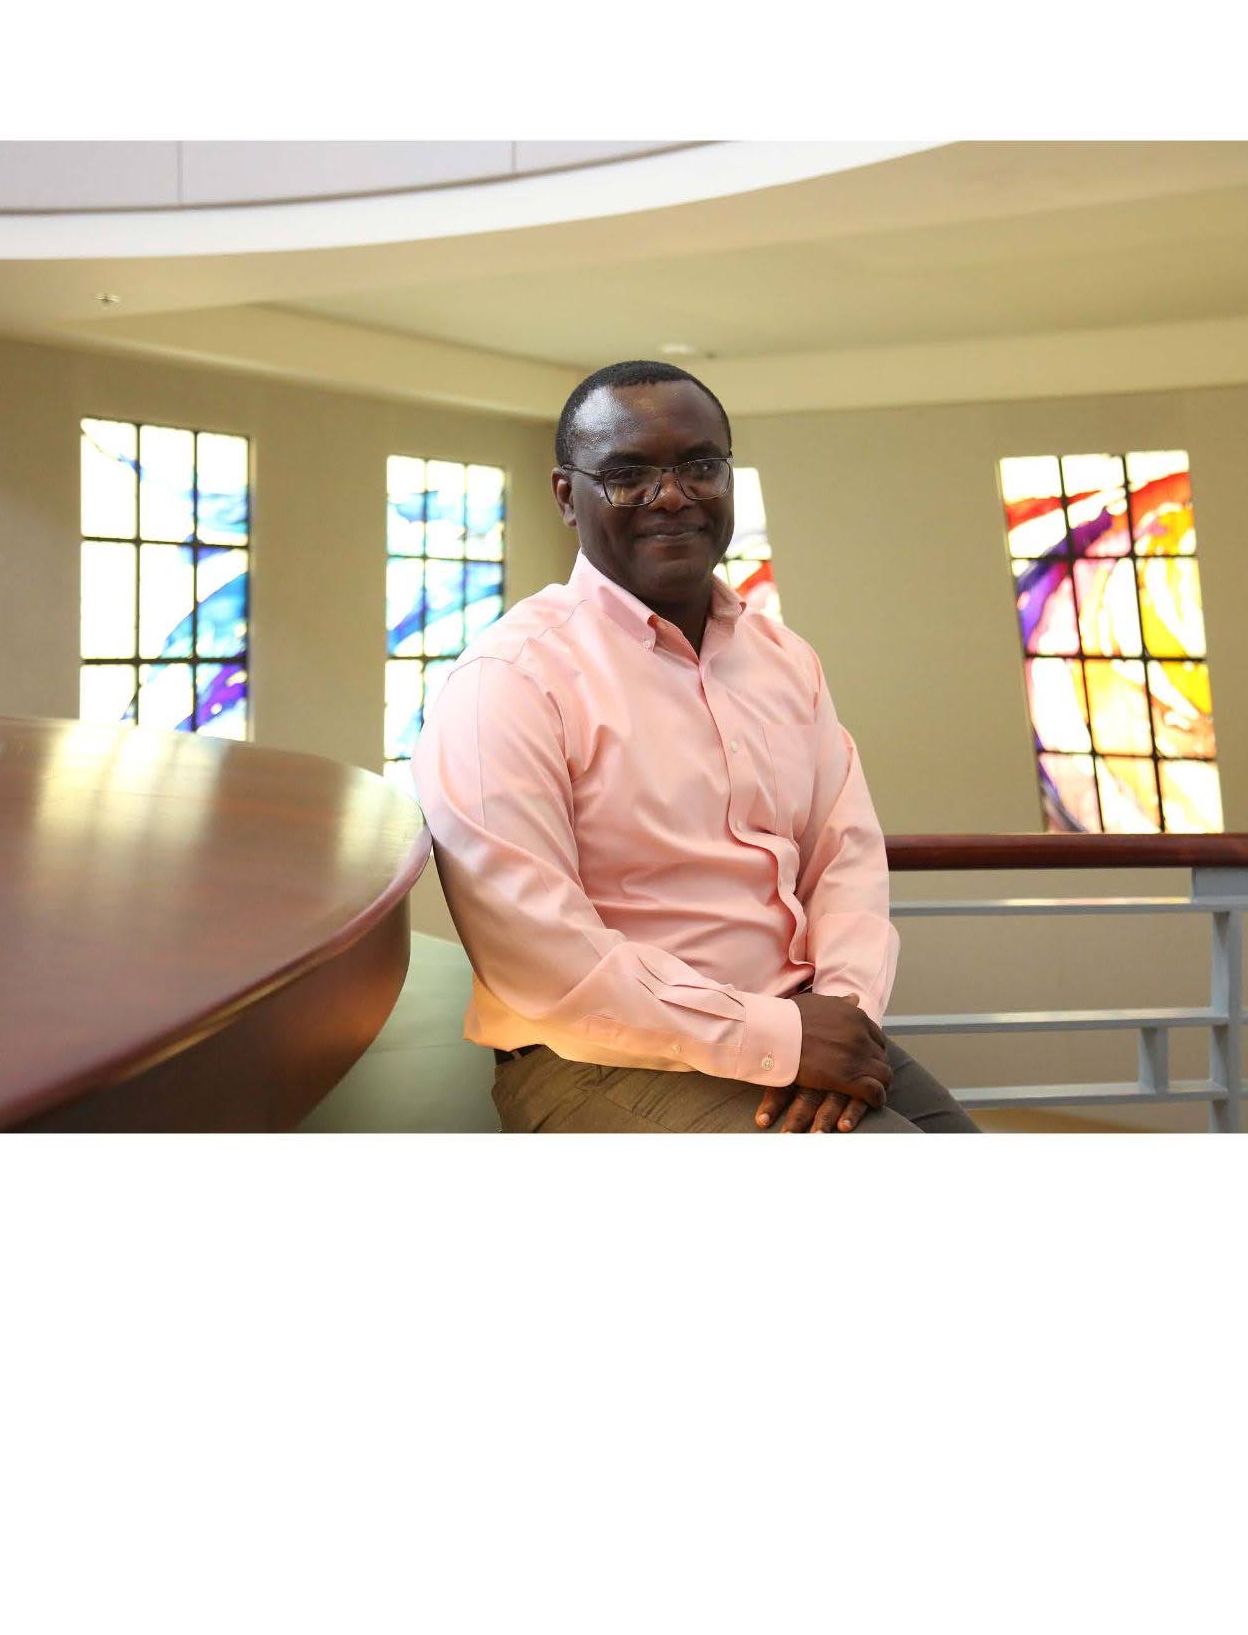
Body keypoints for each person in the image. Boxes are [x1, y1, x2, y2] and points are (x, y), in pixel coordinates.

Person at [412, 359, 977, 1134]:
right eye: (626, 474)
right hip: (599, 1057)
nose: (670, 495)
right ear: (564, 497)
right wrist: (774, 1039)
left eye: (698, 467)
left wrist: (837, 1015)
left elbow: (843, 857)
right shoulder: (508, 683)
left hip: (804, 1023)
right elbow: (541, 960)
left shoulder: (783, 659)